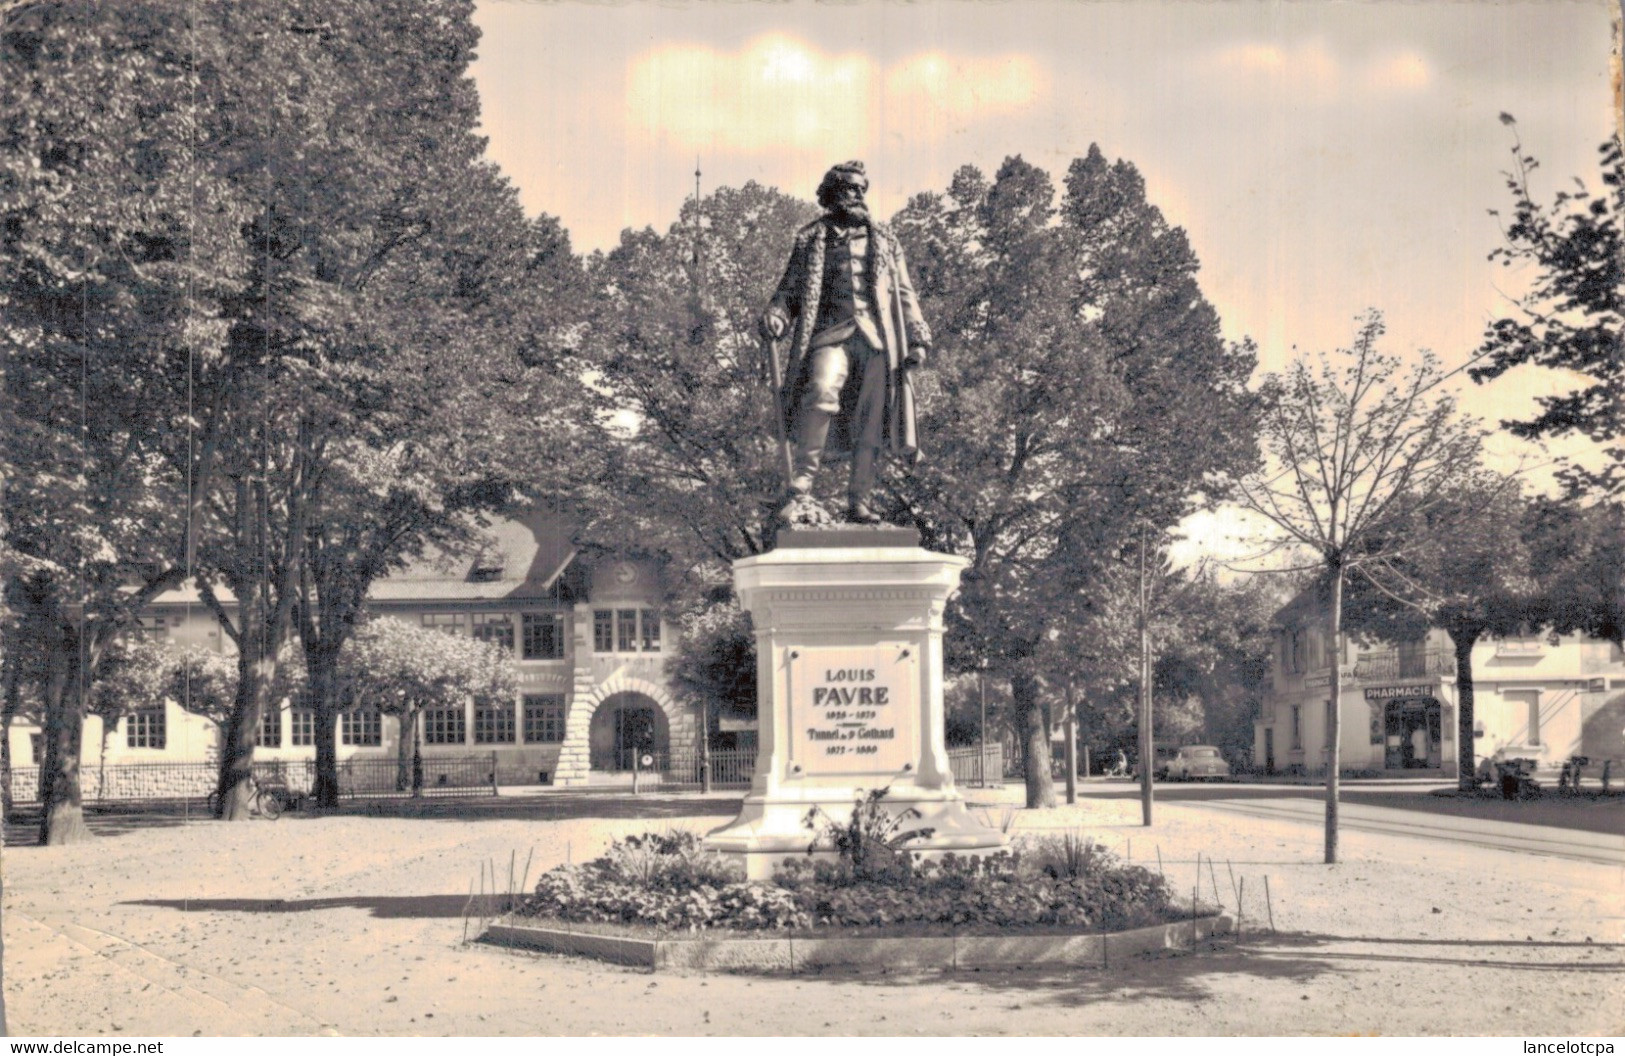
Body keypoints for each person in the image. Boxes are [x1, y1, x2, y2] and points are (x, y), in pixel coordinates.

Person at [759, 161, 932, 525]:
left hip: (876, 340)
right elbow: (788, 292)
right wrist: (777, 315)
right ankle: (801, 486)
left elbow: (904, 294)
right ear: (833, 192)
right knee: (821, 390)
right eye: (851, 188)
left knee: (871, 421)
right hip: (830, 334)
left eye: (861, 189)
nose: (858, 195)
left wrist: (917, 338)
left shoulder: (886, 241)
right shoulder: (809, 240)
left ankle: (860, 501)